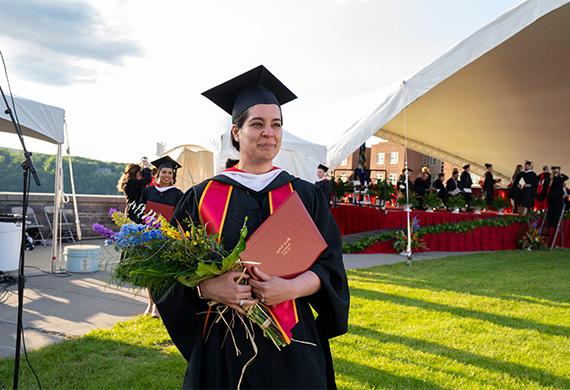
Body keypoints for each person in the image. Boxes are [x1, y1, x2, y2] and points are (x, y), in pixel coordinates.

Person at [156, 65, 349, 389]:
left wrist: (291, 288)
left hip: (294, 343)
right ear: (236, 132)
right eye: (257, 124)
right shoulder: (201, 197)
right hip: (225, 346)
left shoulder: (305, 195)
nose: (268, 133)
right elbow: (164, 277)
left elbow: (330, 266)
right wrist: (205, 289)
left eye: (276, 124)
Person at [139, 156, 184, 318]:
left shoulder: (178, 194)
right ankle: (150, 303)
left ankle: (159, 306)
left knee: (161, 272)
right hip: (149, 236)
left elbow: (180, 216)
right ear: (158, 174)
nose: (166, 176)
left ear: (173, 176)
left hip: (167, 237)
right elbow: (139, 210)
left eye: (170, 173)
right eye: (164, 172)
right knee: (149, 272)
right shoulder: (148, 191)